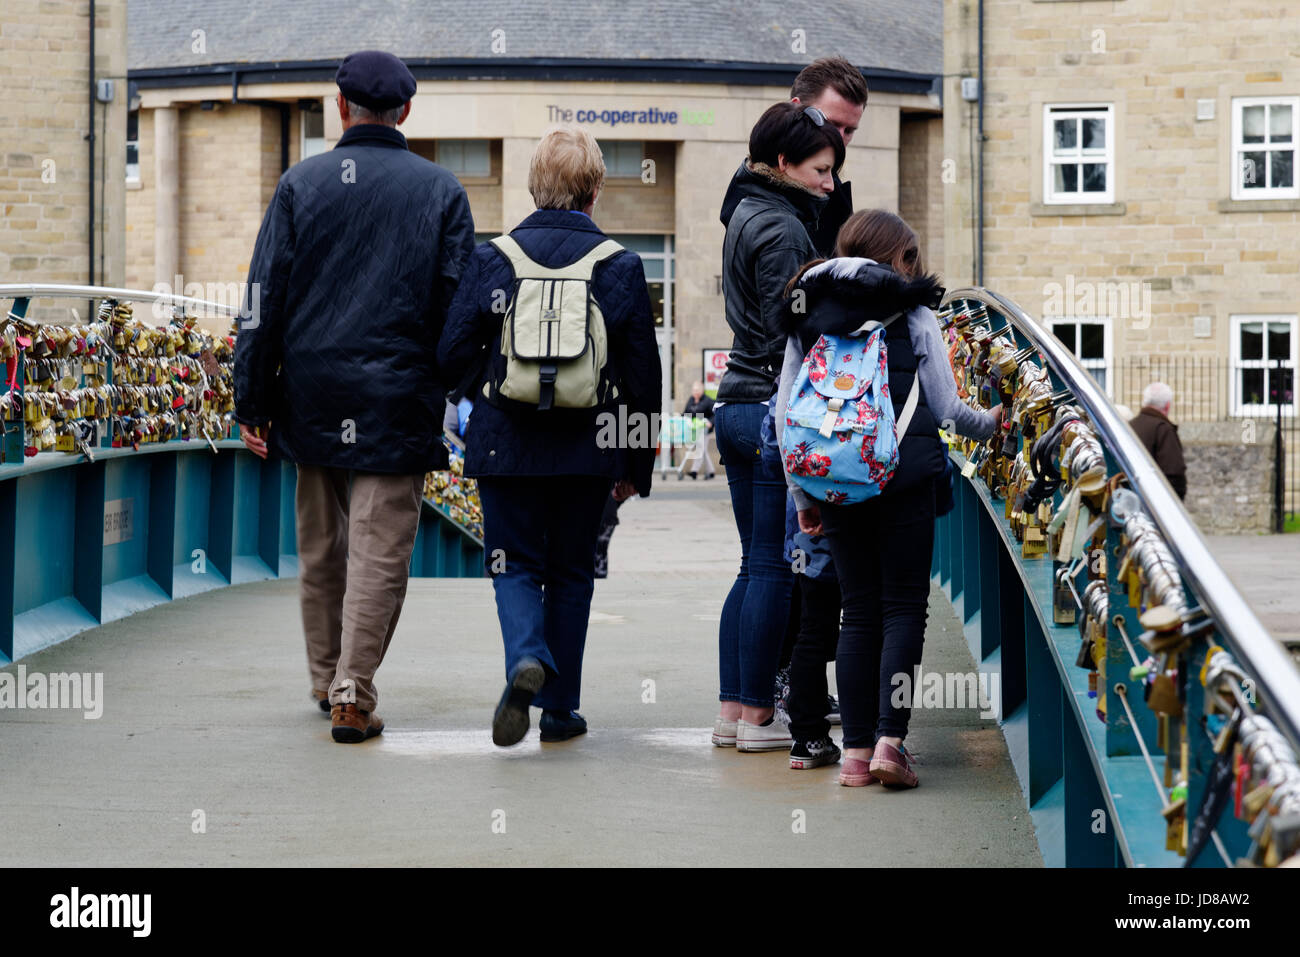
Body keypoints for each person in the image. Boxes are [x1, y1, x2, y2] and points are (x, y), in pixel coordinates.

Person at [234, 50, 475, 744]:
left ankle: (323, 677)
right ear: (406, 112)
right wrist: (449, 388)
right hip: (396, 399)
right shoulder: (439, 191)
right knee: (379, 551)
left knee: (322, 547)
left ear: (340, 108)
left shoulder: (301, 184)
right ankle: (352, 688)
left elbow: (260, 300)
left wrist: (252, 398)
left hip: (310, 393)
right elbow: (459, 312)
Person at [438, 126, 661, 747]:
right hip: (587, 450)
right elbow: (643, 379)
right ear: (594, 189)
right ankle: (560, 711)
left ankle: (524, 660)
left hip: (504, 446)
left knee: (511, 563)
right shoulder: (620, 265)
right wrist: (635, 465)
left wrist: (469, 393)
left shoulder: (493, 259)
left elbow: (451, 354)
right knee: (570, 573)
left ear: (534, 185)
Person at [776, 209, 1003, 787]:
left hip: (835, 480)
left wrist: (803, 494)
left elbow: (787, 412)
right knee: (903, 608)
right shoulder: (917, 312)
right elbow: (950, 410)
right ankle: (889, 744)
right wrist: (993, 421)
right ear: (900, 258)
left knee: (857, 611)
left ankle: (852, 755)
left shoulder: (807, 308)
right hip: (905, 477)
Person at [713, 101, 844, 753]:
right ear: (786, 164)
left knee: (750, 564)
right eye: (821, 170)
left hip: (733, 401)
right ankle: (761, 717)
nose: (830, 182)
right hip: (769, 405)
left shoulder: (743, 211)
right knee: (771, 566)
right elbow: (789, 333)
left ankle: (733, 708)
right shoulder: (787, 229)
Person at [721, 56, 868, 258]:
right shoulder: (766, 212)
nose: (839, 139)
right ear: (796, 108)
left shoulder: (828, 191)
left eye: (849, 130)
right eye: (830, 124)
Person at [1130, 382, 1187, 499]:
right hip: (1156, 501)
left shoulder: (1130, 426)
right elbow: (1174, 473)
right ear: (1167, 406)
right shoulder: (1163, 429)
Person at [680, 380, 716, 479]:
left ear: (701, 390)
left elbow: (714, 414)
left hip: (704, 429)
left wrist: (710, 422)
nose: (695, 392)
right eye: (694, 390)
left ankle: (694, 471)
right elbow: (686, 412)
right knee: (703, 450)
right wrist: (681, 418)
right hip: (694, 429)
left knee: (701, 449)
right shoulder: (691, 400)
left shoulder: (708, 401)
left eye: (697, 390)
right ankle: (711, 471)